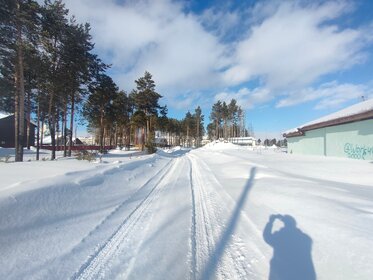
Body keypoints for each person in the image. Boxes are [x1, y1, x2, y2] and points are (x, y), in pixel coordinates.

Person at [263, 214, 316, 280]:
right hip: (305, 275)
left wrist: (270, 222)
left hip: (284, 275)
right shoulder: (306, 239)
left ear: (285, 225)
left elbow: (267, 237)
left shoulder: (281, 237)